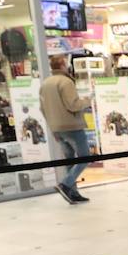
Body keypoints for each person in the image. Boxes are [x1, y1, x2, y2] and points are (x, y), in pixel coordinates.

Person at [40, 55, 92, 204]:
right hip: (72, 126)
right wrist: (87, 101)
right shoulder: (66, 82)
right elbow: (73, 105)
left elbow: (43, 108)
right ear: (63, 65)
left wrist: (52, 127)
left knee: (69, 159)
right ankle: (66, 184)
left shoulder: (45, 84)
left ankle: (73, 192)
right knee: (85, 157)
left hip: (57, 128)